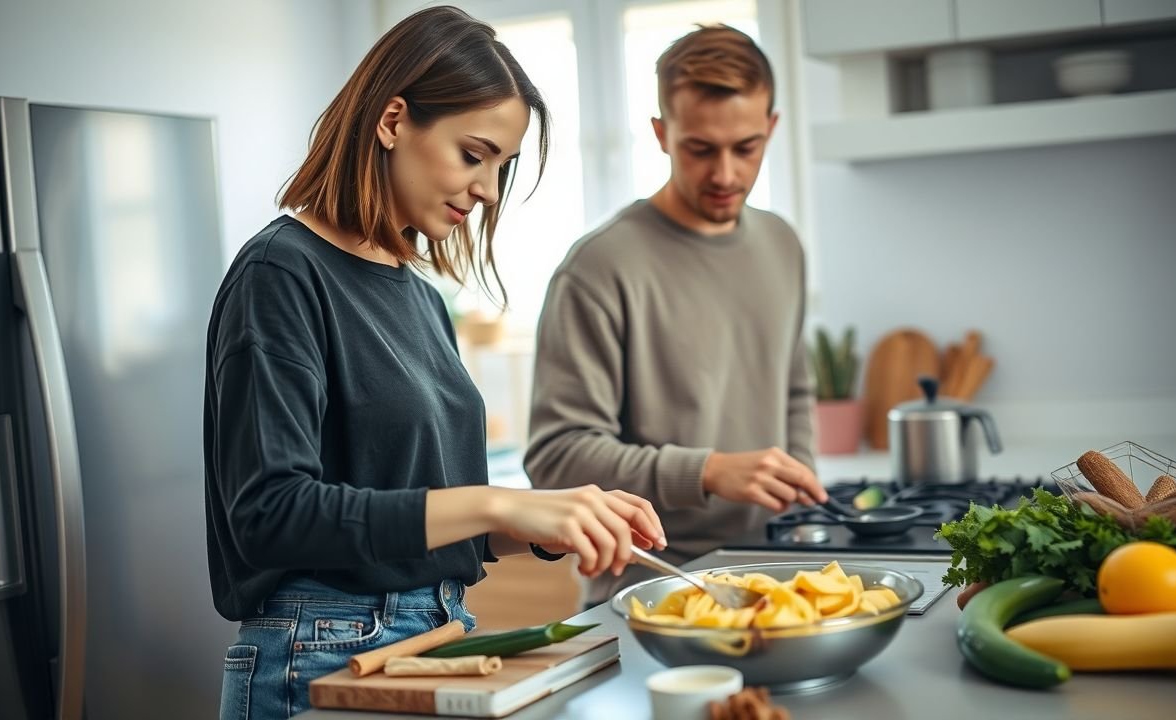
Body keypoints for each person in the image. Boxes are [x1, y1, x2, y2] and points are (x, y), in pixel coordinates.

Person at [203, 7, 665, 718]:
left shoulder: (420, 297)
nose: (486, 191)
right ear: (393, 121)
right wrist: (497, 499)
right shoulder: (281, 273)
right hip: (322, 654)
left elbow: (426, 524)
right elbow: (270, 515)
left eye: (500, 167)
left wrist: (547, 521)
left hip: (435, 637)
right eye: (473, 154)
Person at [524, 24, 827, 608]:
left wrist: (801, 484)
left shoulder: (781, 243)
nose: (725, 175)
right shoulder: (598, 267)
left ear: (772, 127)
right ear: (662, 134)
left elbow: (792, 389)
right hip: (655, 585)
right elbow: (555, 458)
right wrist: (707, 471)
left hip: (777, 568)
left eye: (746, 148)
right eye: (700, 148)